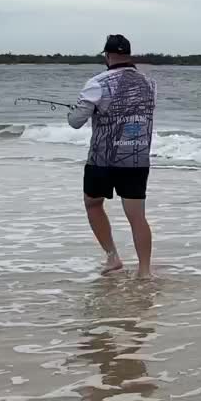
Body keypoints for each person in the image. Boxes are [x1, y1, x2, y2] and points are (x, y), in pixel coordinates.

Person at [67, 34, 157, 274]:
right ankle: (145, 271)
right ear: (128, 54)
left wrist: (75, 111)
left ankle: (112, 257)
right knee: (137, 216)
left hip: (103, 159)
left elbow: (76, 121)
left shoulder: (97, 82)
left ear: (107, 56)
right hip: (138, 158)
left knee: (93, 203)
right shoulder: (149, 83)